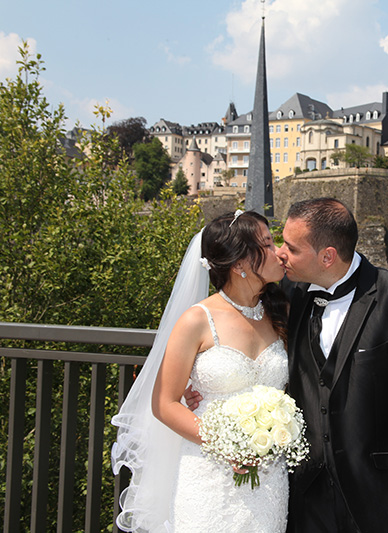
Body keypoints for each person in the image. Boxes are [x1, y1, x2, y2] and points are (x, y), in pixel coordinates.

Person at [188, 197, 388, 532]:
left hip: (380, 491)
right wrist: (194, 378)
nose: (281, 253)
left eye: (292, 247)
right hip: (306, 491)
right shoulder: (286, 293)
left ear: (327, 256)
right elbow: (230, 323)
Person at [111, 210, 290, 533]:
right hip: (208, 474)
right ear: (239, 264)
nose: (278, 250)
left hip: (269, 480)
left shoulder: (282, 311)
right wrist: (226, 446)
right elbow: (164, 403)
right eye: (266, 242)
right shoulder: (197, 320)